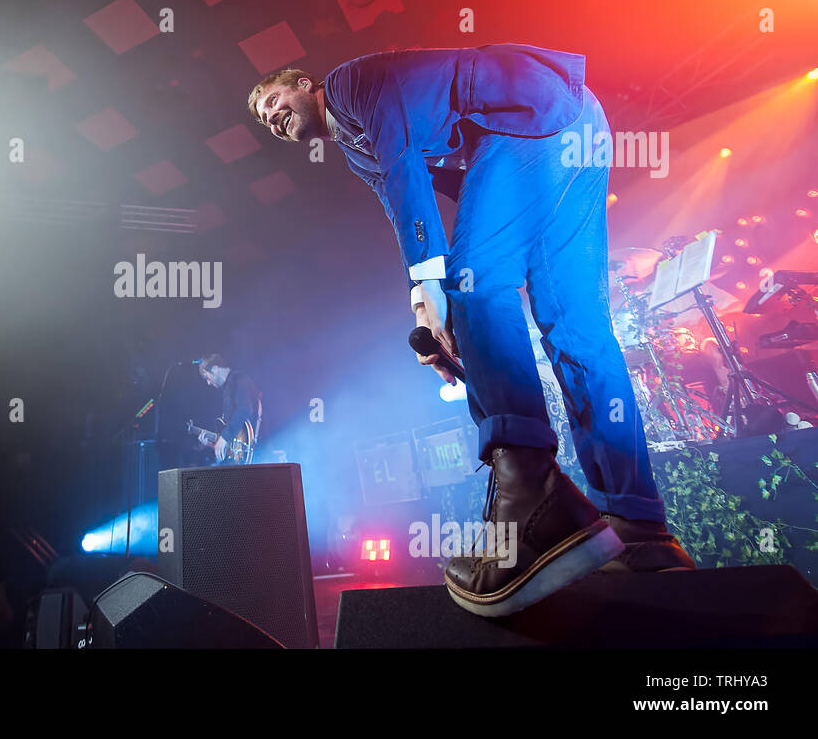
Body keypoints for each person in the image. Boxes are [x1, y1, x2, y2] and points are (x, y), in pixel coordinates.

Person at [247, 44, 694, 617]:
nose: (272, 117)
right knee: (578, 331)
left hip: (531, 117)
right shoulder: (356, 155)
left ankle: (533, 491)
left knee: (476, 281)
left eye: (274, 100)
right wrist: (430, 313)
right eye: (265, 120)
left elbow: (407, 168)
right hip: (571, 131)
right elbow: (404, 203)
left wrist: (442, 289)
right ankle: (638, 524)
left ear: (304, 84)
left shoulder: (348, 84)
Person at [196, 354, 262, 464]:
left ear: (215, 369)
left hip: (257, 452)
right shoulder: (226, 389)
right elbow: (232, 435)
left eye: (207, 377)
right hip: (240, 456)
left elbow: (245, 409)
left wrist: (224, 437)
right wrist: (210, 443)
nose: (208, 383)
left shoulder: (239, 378)